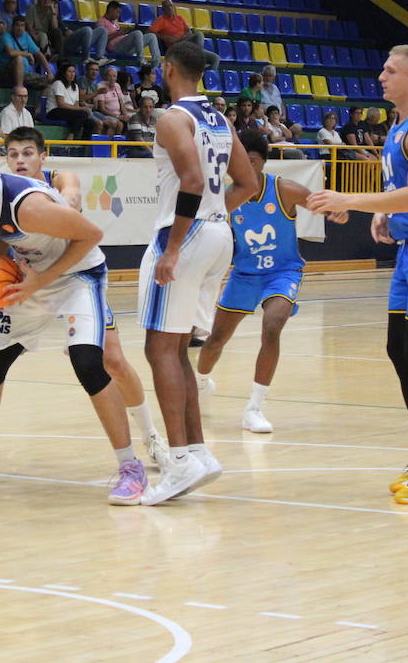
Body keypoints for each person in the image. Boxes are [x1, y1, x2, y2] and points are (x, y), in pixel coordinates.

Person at [0, 141, 147, 504]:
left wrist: (42, 280)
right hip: (31, 276)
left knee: (88, 363)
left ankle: (131, 468)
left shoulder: (29, 206)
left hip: (78, 275)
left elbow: (92, 236)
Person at [307, 44, 408, 505]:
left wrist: (350, 201)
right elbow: (403, 191)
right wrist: (384, 214)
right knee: (398, 348)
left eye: (390, 70)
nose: (381, 76)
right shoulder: (398, 125)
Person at [0, 127, 170, 465]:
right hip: (36, 283)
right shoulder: (3, 193)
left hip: (77, 277)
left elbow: (72, 194)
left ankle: (151, 436)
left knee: (113, 360)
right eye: (13, 154)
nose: (20, 160)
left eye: (28, 153)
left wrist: (65, 201)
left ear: (43, 157)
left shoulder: (60, 179)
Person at [136, 40, 256, 506]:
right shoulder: (219, 118)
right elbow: (248, 182)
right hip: (218, 234)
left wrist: (173, 247)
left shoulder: (173, 118)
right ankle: (198, 452)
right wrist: (212, 214)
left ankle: (181, 460)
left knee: (158, 348)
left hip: (184, 235)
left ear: (169, 69)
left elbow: (190, 180)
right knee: (177, 349)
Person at [194, 130, 342, 431]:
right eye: (240, 161)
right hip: (244, 274)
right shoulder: (226, 197)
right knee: (215, 340)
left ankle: (254, 408)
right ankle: (199, 383)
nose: (245, 166)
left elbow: (318, 202)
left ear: (263, 161)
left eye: (251, 160)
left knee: (272, 325)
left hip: (282, 272)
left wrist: (337, 209)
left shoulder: (284, 189)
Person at [148, 0, 213, 66]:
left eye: (170, 6)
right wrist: (165, 37)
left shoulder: (180, 18)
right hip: (175, 46)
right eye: (167, 6)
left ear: (173, 7)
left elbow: (189, 31)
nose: (169, 8)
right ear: (163, 9)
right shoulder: (161, 20)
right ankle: (197, 60)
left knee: (215, 58)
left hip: (185, 42)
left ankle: (197, 59)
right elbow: (150, 32)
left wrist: (182, 38)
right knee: (199, 35)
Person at [0, 16, 47, 89]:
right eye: (17, 25)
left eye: (22, 25)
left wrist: (49, 73)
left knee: (48, 81)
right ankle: (19, 88)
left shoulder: (26, 36)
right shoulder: (6, 36)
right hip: (4, 74)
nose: (20, 28)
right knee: (18, 58)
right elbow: (10, 52)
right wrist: (28, 54)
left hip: (24, 74)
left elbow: (39, 54)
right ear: (12, 26)